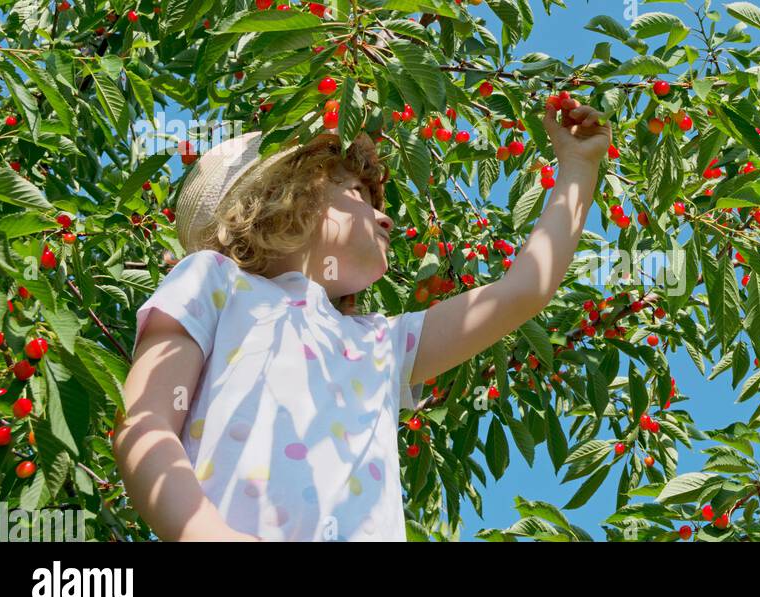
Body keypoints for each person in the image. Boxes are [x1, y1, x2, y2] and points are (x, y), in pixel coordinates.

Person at [111, 99, 611, 541]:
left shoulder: (380, 343)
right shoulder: (215, 282)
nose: (386, 216)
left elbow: (522, 291)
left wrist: (577, 169)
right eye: (355, 192)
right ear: (285, 199)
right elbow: (144, 423)